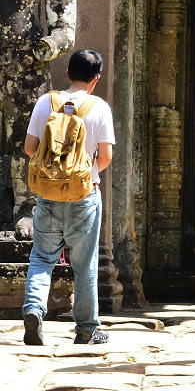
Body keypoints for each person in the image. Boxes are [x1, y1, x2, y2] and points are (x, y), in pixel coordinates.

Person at [21, 49, 114, 346]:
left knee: (41, 257)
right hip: (84, 194)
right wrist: (81, 174)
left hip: (48, 193)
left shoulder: (45, 102)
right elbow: (106, 156)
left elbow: (30, 148)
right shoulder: (99, 107)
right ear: (95, 79)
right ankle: (86, 329)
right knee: (84, 263)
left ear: (67, 74)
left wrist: (54, 171)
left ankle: (34, 309)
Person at [0, 0, 76, 239]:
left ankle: (27, 206)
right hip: (27, 69)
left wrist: (50, 45)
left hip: (27, 70)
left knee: (26, 141)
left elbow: (65, 28)